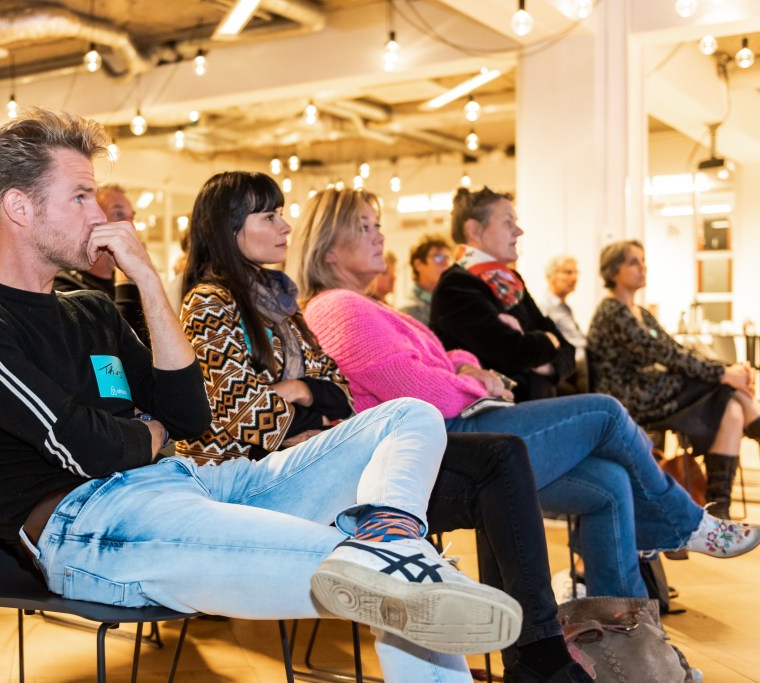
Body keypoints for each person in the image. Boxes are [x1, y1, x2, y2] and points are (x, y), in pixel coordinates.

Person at [0, 109, 523, 683]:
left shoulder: (92, 310)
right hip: (92, 526)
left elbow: (188, 415)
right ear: (18, 208)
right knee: (398, 584)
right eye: (80, 196)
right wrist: (145, 433)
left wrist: (147, 280)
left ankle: (390, 532)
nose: (99, 215)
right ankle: (396, 561)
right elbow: (84, 448)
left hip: (193, 483)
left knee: (409, 418)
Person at [179, 171, 590, 683]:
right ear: (230, 227)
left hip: (319, 464)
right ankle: (537, 658)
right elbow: (242, 414)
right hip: (262, 482)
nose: (285, 226)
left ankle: (536, 651)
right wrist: (309, 411)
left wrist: (302, 391)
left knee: (499, 459)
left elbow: (338, 391)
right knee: (447, 434)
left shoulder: (280, 302)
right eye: (270, 216)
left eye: (282, 214)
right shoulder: (209, 302)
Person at [288, 186, 760, 603]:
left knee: (611, 483)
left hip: (459, 431)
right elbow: (424, 391)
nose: (379, 237)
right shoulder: (339, 308)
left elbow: (448, 359)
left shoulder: (365, 304)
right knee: (606, 413)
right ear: (329, 250)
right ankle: (684, 524)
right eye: (364, 227)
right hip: (448, 444)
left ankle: (626, 634)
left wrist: (465, 366)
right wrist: (478, 379)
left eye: (377, 225)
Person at [587, 239, 760, 519]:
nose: (643, 268)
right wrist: (726, 373)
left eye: (643, 261)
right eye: (633, 262)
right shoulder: (612, 311)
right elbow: (666, 355)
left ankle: (719, 511)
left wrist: (729, 371)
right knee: (726, 389)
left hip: (653, 389)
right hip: (630, 397)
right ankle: (755, 430)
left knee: (732, 407)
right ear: (613, 271)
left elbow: (676, 349)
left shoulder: (640, 313)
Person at [430, 187, 574, 402]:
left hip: (530, 403)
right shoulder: (456, 286)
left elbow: (568, 351)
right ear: (474, 230)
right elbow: (514, 355)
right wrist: (549, 340)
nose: (519, 231)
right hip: (496, 412)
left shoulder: (510, 281)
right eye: (508, 223)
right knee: (605, 408)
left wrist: (541, 357)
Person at [53, 183, 149, 344]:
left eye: (131, 217)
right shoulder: (65, 285)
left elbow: (147, 346)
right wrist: (126, 281)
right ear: (93, 220)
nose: (130, 226)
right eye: (118, 215)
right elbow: (113, 345)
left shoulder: (130, 284)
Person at [542, 256, 588, 394]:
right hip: (572, 361)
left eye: (576, 272)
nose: (574, 278)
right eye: (568, 272)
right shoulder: (545, 308)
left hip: (580, 359)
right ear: (551, 276)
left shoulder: (564, 307)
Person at [400, 234, 453, 325]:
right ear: (418, 264)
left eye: (447, 258)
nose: (446, 264)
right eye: (438, 258)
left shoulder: (452, 300)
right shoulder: (408, 309)